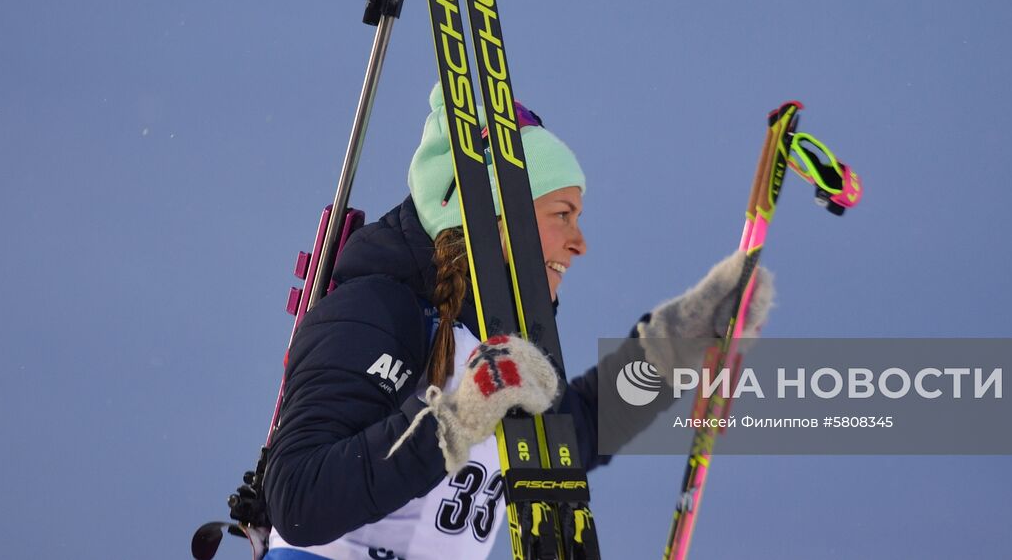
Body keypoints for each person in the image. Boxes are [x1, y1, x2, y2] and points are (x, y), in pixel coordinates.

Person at [263, 84, 774, 559]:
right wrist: (457, 421)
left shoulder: (494, 340)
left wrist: (679, 340)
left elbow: (575, 435)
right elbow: (299, 500)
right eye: (562, 214)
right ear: (497, 220)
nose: (579, 243)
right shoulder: (378, 309)